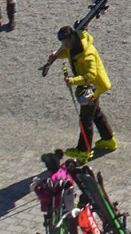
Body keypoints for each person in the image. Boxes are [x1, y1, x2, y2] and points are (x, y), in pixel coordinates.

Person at [50, 26, 117, 159]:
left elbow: (91, 75)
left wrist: (73, 81)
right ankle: (108, 139)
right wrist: (56, 55)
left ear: (72, 38)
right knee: (96, 113)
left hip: (93, 87)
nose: (65, 46)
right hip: (90, 86)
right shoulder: (74, 46)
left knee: (85, 119)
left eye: (66, 43)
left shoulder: (88, 54)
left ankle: (84, 150)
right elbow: (68, 53)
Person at [31, 150, 79, 234]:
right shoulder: (63, 172)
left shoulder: (52, 180)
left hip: (57, 208)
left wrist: (37, 188)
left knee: (57, 228)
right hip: (69, 202)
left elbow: (44, 196)